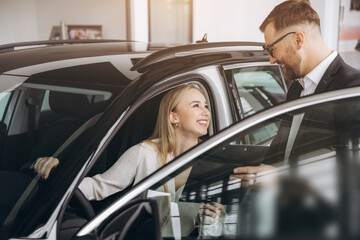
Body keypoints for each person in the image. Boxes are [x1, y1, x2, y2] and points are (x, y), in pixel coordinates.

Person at [34, 84, 224, 236]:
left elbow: (226, 219)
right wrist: (56, 175)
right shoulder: (144, 153)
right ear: (173, 117)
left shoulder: (216, 157)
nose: (206, 112)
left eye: (206, 105)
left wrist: (216, 219)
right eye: (196, 105)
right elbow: (97, 188)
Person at [233, 0, 360, 178]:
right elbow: (282, 154)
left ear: (298, 39)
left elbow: (349, 173)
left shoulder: (352, 89)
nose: (271, 60)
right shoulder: (295, 89)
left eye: (271, 49)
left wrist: (281, 179)